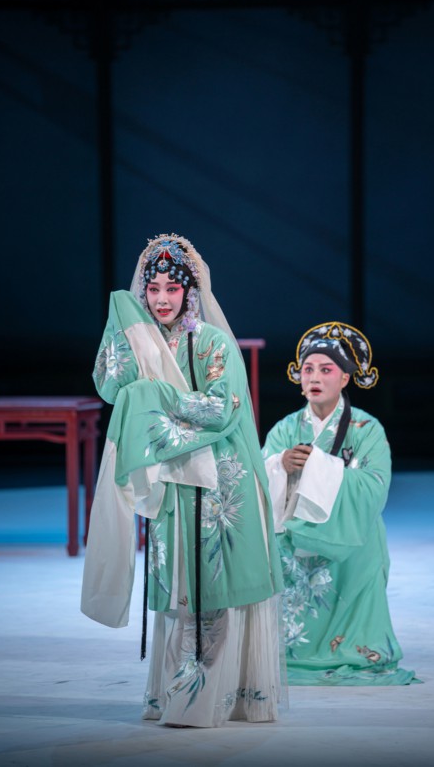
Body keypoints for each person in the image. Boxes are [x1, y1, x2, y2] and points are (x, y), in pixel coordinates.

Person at [81, 233, 284, 727]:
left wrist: (153, 397)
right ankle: (175, 690)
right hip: (172, 478)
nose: (162, 299)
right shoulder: (143, 341)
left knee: (215, 585)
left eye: (172, 288)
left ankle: (207, 697)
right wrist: (120, 329)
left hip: (221, 479)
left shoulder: (213, 342)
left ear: (190, 291)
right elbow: (109, 387)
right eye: (152, 289)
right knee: (179, 587)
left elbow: (221, 408)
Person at [262, 321, 417, 686]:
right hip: (296, 533)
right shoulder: (285, 429)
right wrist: (280, 464)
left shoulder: (367, 428)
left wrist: (319, 467)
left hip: (353, 537)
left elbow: (375, 486)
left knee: (364, 551)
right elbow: (258, 477)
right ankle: (294, 650)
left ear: (346, 378)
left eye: (326, 369)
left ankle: (353, 648)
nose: (314, 377)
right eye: (308, 369)